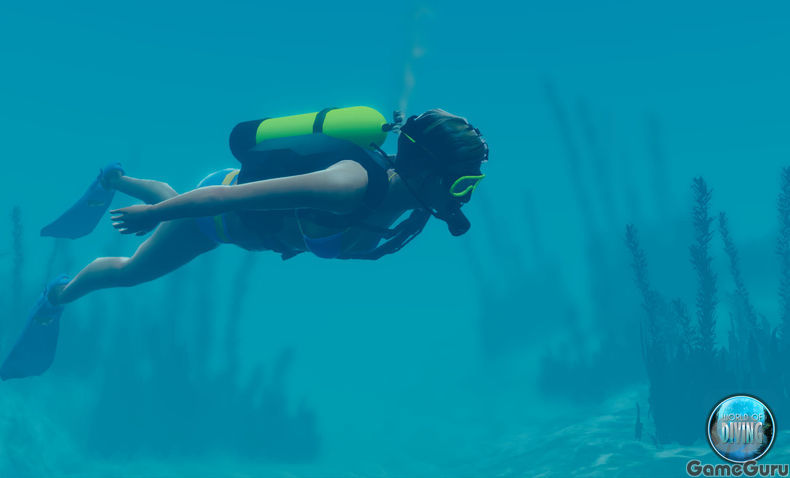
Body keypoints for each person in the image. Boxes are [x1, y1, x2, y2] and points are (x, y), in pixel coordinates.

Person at [0, 107, 489, 379]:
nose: (464, 196)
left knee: (172, 204)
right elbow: (223, 198)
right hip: (215, 217)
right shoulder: (347, 186)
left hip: (235, 223)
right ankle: (56, 297)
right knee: (130, 272)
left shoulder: (413, 199)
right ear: (426, 171)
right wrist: (153, 216)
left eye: (472, 184)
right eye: (462, 183)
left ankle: (114, 178)